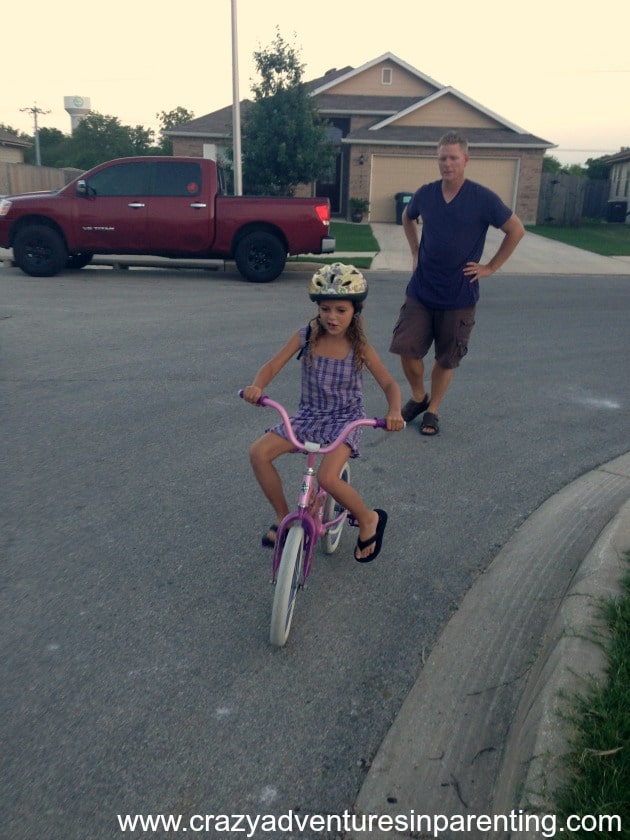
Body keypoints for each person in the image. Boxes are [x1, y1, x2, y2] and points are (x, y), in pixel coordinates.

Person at [243, 263, 404, 562]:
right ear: (317, 308)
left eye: (341, 310)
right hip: (309, 415)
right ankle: (282, 517)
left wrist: (394, 410)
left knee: (328, 478)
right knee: (259, 453)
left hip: (345, 419)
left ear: (355, 311)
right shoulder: (306, 336)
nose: (332, 317)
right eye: (326, 308)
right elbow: (272, 366)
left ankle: (369, 519)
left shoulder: (359, 346)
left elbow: (389, 383)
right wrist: (257, 386)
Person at [390, 130, 525, 436]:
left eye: (453, 158)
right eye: (442, 158)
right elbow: (407, 216)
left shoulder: (483, 198)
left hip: (459, 294)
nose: (447, 164)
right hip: (422, 289)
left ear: (465, 159)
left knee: (446, 358)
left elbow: (516, 229)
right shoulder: (426, 193)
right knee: (406, 348)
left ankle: (432, 410)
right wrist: (415, 251)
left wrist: (491, 266)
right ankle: (418, 396)